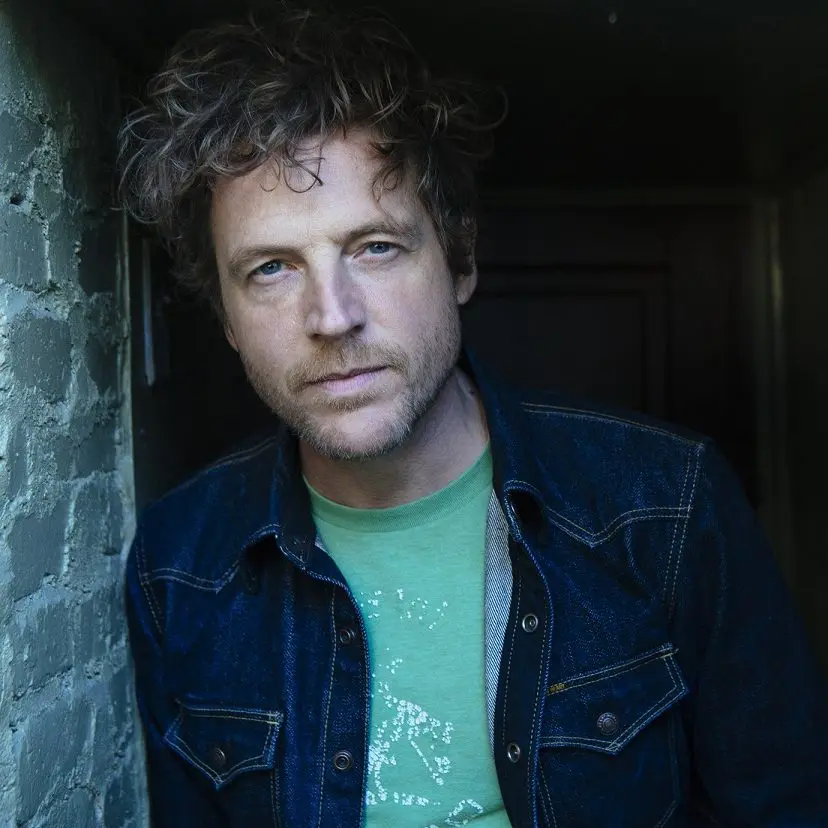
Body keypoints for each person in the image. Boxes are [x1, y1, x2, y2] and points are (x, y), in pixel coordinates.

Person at [118, 8, 828, 827]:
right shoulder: (179, 565)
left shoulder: (666, 505)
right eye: (272, 268)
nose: (333, 316)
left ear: (458, 261)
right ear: (228, 320)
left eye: (375, 247)